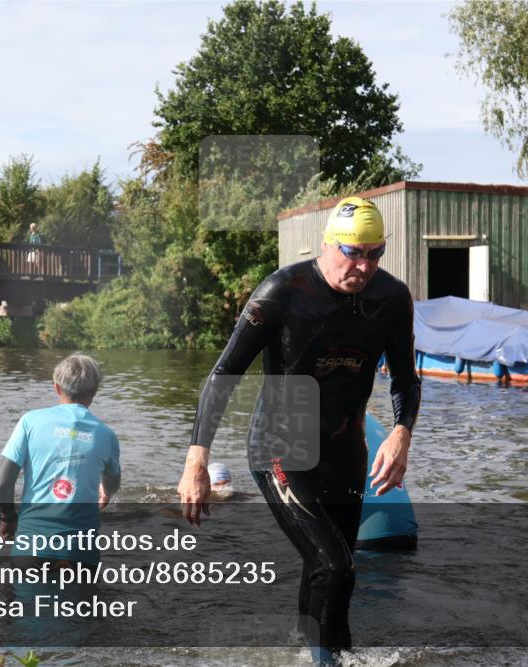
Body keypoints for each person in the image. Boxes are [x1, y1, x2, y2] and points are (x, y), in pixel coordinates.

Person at [177, 196, 421, 664]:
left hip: (346, 449)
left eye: (375, 253)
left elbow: (407, 380)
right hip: (280, 445)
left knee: (331, 576)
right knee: (336, 565)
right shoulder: (284, 290)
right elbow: (223, 374)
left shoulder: (390, 298)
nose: (365, 265)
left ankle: (309, 655)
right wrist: (196, 458)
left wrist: (400, 433)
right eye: (354, 252)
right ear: (328, 245)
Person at [0, 354, 121, 564]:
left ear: (56, 387)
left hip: (32, 546)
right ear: (95, 391)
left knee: (24, 597)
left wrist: (8, 518)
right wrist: (106, 492)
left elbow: (2, 482)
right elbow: (113, 479)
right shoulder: (106, 435)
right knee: (85, 597)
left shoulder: (30, 422)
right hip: (80, 552)